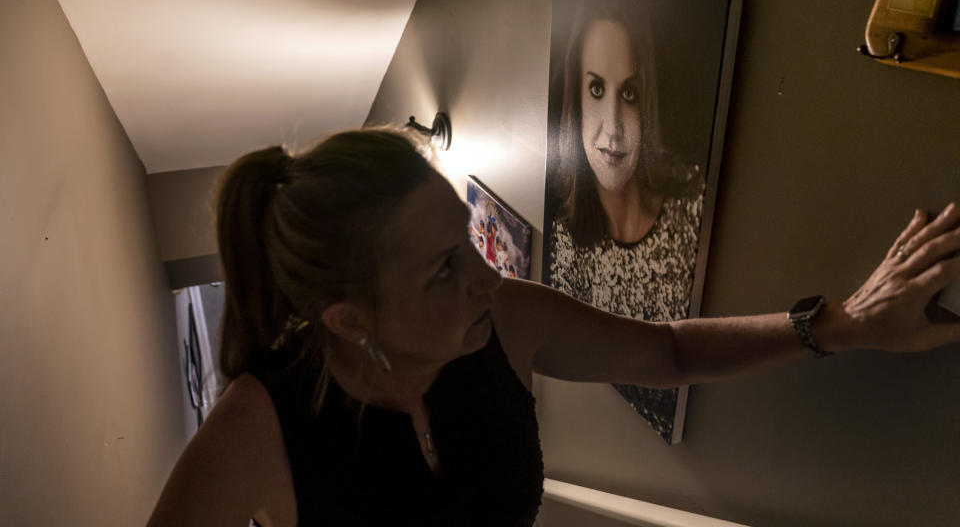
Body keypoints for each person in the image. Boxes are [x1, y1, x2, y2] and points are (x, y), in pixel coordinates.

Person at [147, 126, 960, 527]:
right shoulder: (261, 428)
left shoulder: (505, 319)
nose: (487, 278)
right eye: (442, 269)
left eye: (466, 241)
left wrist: (845, 324)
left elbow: (667, 351)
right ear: (350, 318)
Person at [548, 0, 711, 442]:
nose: (613, 127)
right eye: (597, 89)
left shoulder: (694, 204)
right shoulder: (563, 242)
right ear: (576, 98)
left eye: (631, 94)